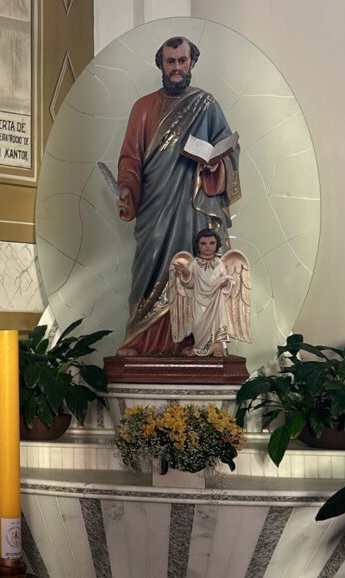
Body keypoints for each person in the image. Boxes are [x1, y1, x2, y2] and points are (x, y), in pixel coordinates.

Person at [115, 36, 241, 356]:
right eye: (170, 62)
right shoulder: (142, 108)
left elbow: (229, 150)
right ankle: (140, 338)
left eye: (182, 61)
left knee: (196, 268)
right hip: (155, 206)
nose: (176, 68)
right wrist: (128, 189)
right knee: (150, 264)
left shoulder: (206, 104)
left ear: (192, 63)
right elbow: (131, 157)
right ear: (161, 64)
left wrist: (216, 164)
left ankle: (198, 340)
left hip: (194, 205)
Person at [168, 228, 251, 357]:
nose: (208, 246)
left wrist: (226, 282)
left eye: (212, 243)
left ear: (217, 244)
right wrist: (185, 271)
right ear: (197, 245)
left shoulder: (219, 263)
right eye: (203, 243)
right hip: (198, 301)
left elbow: (228, 279)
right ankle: (199, 346)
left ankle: (216, 346)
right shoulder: (194, 263)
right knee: (198, 323)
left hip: (216, 300)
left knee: (217, 324)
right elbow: (189, 284)